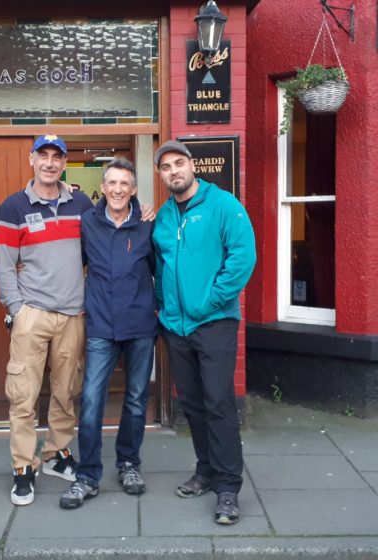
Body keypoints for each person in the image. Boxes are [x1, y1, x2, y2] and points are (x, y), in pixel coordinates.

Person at [152, 140, 256, 525]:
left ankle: (228, 487)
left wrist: (211, 300)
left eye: (180, 163)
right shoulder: (164, 217)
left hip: (213, 323)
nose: (174, 171)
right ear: (161, 175)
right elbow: (162, 268)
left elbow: (243, 255)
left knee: (218, 404)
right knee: (192, 405)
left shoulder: (223, 205)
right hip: (176, 327)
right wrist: (163, 305)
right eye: (166, 167)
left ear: (192, 166)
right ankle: (206, 470)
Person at [0, 135, 91, 506]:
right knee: (23, 396)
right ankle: (23, 467)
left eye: (57, 157)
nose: (50, 163)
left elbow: (103, 240)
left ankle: (56, 454)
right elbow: (4, 264)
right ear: (31, 159)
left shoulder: (81, 203)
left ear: (64, 162)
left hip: (72, 314)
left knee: (67, 390)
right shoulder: (14, 207)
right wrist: (17, 309)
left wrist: (143, 209)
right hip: (31, 313)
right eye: (43, 156)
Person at [59, 158, 157, 509]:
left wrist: (157, 308)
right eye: (111, 182)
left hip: (140, 326)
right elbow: (74, 264)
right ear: (103, 187)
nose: (117, 189)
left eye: (124, 184)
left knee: (135, 401)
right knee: (91, 403)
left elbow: (159, 269)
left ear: (133, 190)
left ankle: (129, 464)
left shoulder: (148, 224)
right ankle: (87, 475)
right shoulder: (88, 222)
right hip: (101, 325)